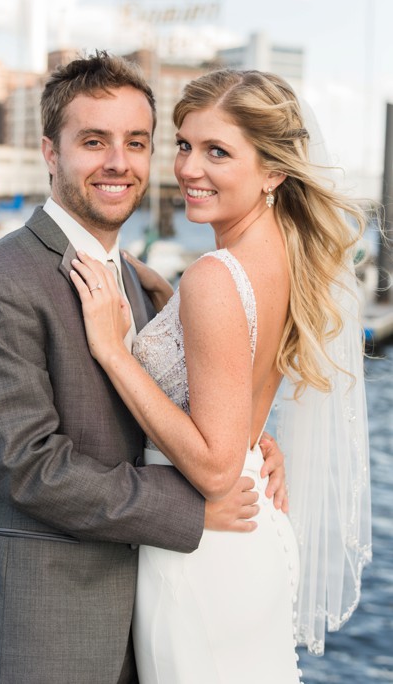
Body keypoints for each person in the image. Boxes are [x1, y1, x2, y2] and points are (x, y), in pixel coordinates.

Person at [0, 52, 288, 683]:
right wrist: (192, 509)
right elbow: (30, 467)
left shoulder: (138, 278)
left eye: (136, 142)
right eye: (93, 141)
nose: (118, 163)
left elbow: (177, 397)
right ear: (51, 151)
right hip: (46, 624)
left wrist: (247, 440)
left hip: (149, 611)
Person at [70, 69, 371, 681]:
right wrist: (166, 304)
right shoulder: (285, 255)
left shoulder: (214, 276)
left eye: (218, 152)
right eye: (184, 144)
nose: (189, 169)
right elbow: (235, 385)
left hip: (202, 559)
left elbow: (211, 466)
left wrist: (114, 349)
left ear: (273, 171)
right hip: (250, 535)